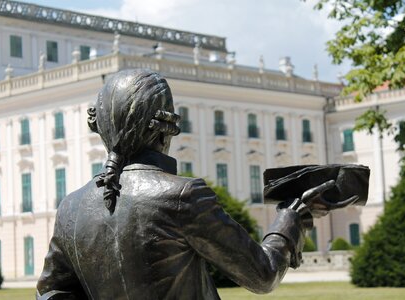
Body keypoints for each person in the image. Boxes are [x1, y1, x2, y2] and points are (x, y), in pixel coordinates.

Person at [36, 69, 312, 300]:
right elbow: (262, 274)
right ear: (164, 127)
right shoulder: (183, 196)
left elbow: (50, 293)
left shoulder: (71, 208)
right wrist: (289, 220)